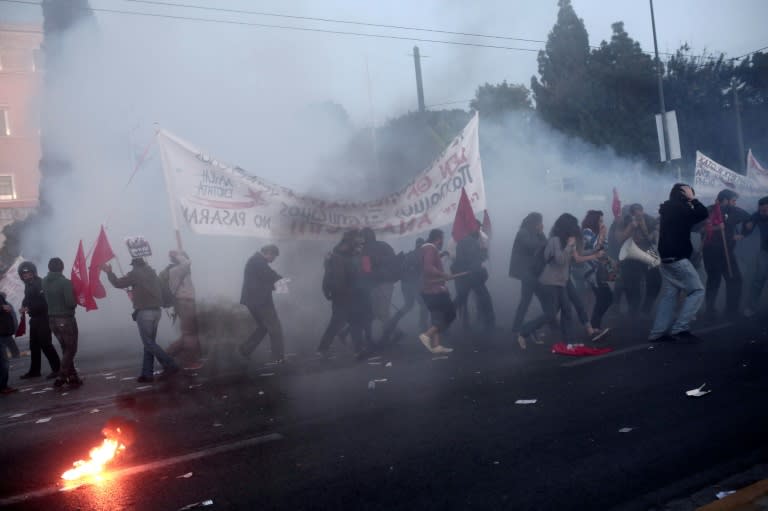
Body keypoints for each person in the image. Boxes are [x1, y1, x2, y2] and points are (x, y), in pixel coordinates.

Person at [517, 214, 603, 349]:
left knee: (567, 310)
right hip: (550, 281)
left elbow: (577, 258)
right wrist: (569, 246)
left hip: (562, 281)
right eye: (573, 226)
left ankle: (569, 343)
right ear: (567, 227)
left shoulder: (568, 240)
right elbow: (560, 260)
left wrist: (594, 253)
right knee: (550, 313)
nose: (576, 229)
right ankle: (524, 331)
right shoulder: (555, 240)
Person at [648, 183, 709, 342]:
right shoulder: (680, 209)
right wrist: (693, 199)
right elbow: (703, 213)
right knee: (697, 291)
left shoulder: (669, 209)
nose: (691, 197)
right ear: (683, 195)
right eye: (688, 194)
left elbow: (692, 221)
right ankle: (680, 328)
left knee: (671, 294)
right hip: (678, 258)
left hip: (666, 259)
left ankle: (658, 332)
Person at [104, 258, 180, 382]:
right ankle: (147, 374)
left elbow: (118, 283)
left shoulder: (135, 273)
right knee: (149, 344)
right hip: (156, 312)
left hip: (145, 312)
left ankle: (170, 364)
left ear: (134, 265)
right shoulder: (152, 273)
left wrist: (109, 272)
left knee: (148, 343)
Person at [700, 189, 751, 320]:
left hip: (724, 251)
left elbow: (749, 220)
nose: (734, 203)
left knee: (732, 279)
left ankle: (728, 310)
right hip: (713, 252)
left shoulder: (735, 211)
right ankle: (713, 311)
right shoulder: (708, 211)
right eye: (733, 200)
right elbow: (697, 227)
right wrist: (713, 227)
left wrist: (742, 234)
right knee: (717, 280)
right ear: (725, 200)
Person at [317, 230, 370, 356]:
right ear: (352, 241)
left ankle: (358, 349)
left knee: (352, 321)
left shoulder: (344, 254)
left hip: (347, 293)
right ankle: (323, 348)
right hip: (343, 294)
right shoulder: (339, 256)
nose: (361, 244)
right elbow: (339, 277)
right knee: (340, 321)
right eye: (359, 241)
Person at [238, 245, 285, 363]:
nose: (274, 259)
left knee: (264, 327)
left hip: (253, 301)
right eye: (274, 256)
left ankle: (245, 349)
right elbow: (269, 277)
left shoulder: (257, 261)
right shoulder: (258, 262)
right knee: (275, 329)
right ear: (268, 253)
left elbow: (270, 274)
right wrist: (281, 282)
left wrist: (279, 279)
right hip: (260, 302)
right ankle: (278, 358)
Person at [380, 237, 429, 346]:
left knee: (408, 305)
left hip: (406, 285)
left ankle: (393, 322)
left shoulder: (409, 254)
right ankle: (423, 328)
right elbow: (423, 270)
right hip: (413, 285)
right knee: (423, 304)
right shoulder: (420, 255)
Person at [41, 258, 82, 388]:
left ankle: (73, 376)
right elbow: (70, 303)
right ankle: (62, 376)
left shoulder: (44, 282)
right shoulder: (65, 283)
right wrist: (76, 298)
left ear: (49, 268)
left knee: (65, 348)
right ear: (62, 268)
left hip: (52, 319)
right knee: (71, 348)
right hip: (65, 318)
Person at [616, 203, 661, 316]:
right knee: (632, 284)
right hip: (630, 254)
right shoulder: (624, 221)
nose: (638, 216)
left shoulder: (649, 219)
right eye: (635, 214)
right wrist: (631, 226)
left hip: (647, 251)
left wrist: (645, 228)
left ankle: (647, 307)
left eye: (640, 213)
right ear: (631, 214)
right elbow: (619, 239)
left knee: (656, 280)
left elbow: (654, 236)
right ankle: (633, 310)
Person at [18, 261, 60, 380]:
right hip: (35, 318)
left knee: (46, 344)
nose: (27, 276)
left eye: (29, 273)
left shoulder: (40, 283)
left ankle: (57, 369)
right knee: (34, 345)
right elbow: (27, 298)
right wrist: (23, 306)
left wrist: (29, 308)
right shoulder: (28, 285)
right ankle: (34, 371)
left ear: (33, 273)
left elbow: (45, 303)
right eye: (24, 274)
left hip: (44, 318)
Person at [160, 250, 203, 370]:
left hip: (184, 302)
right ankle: (188, 361)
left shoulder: (178, 270)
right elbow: (187, 262)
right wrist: (178, 255)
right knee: (189, 334)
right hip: (184, 302)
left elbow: (187, 264)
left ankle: (166, 355)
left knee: (188, 333)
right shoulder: (176, 270)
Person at [452, 220, 495, 336]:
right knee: (485, 299)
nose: (480, 230)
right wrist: (483, 253)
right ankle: (490, 325)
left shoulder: (465, 241)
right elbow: (473, 260)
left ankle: (441, 323)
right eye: (478, 228)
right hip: (472, 276)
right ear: (472, 228)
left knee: (460, 300)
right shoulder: (470, 242)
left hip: (467, 276)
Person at [359, 227, 399, 346]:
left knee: (381, 312)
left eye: (362, 237)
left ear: (365, 237)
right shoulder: (384, 245)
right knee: (380, 312)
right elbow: (394, 260)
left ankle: (391, 336)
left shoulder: (366, 250)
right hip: (388, 282)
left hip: (377, 284)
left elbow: (366, 270)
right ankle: (394, 333)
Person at [418, 229, 455, 354]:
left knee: (437, 316)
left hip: (427, 290)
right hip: (434, 290)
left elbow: (428, 263)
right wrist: (443, 274)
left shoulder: (424, 249)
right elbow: (428, 267)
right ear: (439, 239)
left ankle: (436, 345)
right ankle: (427, 335)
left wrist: (440, 257)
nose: (442, 242)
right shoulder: (431, 248)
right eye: (442, 239)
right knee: (450, 313)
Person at [510, 213, 547, 337]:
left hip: (531, 271)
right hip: (526, 272)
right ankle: (517, 328)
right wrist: (540, 232)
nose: (541, 225)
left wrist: (540, 233)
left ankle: (517, 327)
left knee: (530, 299)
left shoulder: (531, 232)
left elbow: (545, 245)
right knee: (528, 300)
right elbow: (533, 246)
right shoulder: (523, 232)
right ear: (534, 222)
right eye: (539, 222)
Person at [581, 210, 613, 338]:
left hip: (599, 269)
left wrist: (602, 235)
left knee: (604, 297)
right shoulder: (586, 232)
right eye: (600, 220)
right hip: (591, 270)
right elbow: (594, 247)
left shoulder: (597, 232)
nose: (602, 223)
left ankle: (594, 326)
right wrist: (601, 234)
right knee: (605, 297)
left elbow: (604, 247)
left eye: (602, 221)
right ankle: (594, 327)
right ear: (594, 221)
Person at [743, 196, 768, 317]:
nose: (763, 213)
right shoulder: (758, 215)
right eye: (762, 210)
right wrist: (749, 225)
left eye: (766, 211)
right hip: (765, 252)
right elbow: (751, 222)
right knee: (759, 279)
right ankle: (751, 307)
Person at [0, 292, 18, 394]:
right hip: (1, 334)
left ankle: (3, 385)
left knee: (3, 361)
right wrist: (2, 308)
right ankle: (3, 386)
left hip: (5, 333)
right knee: (3, 362)